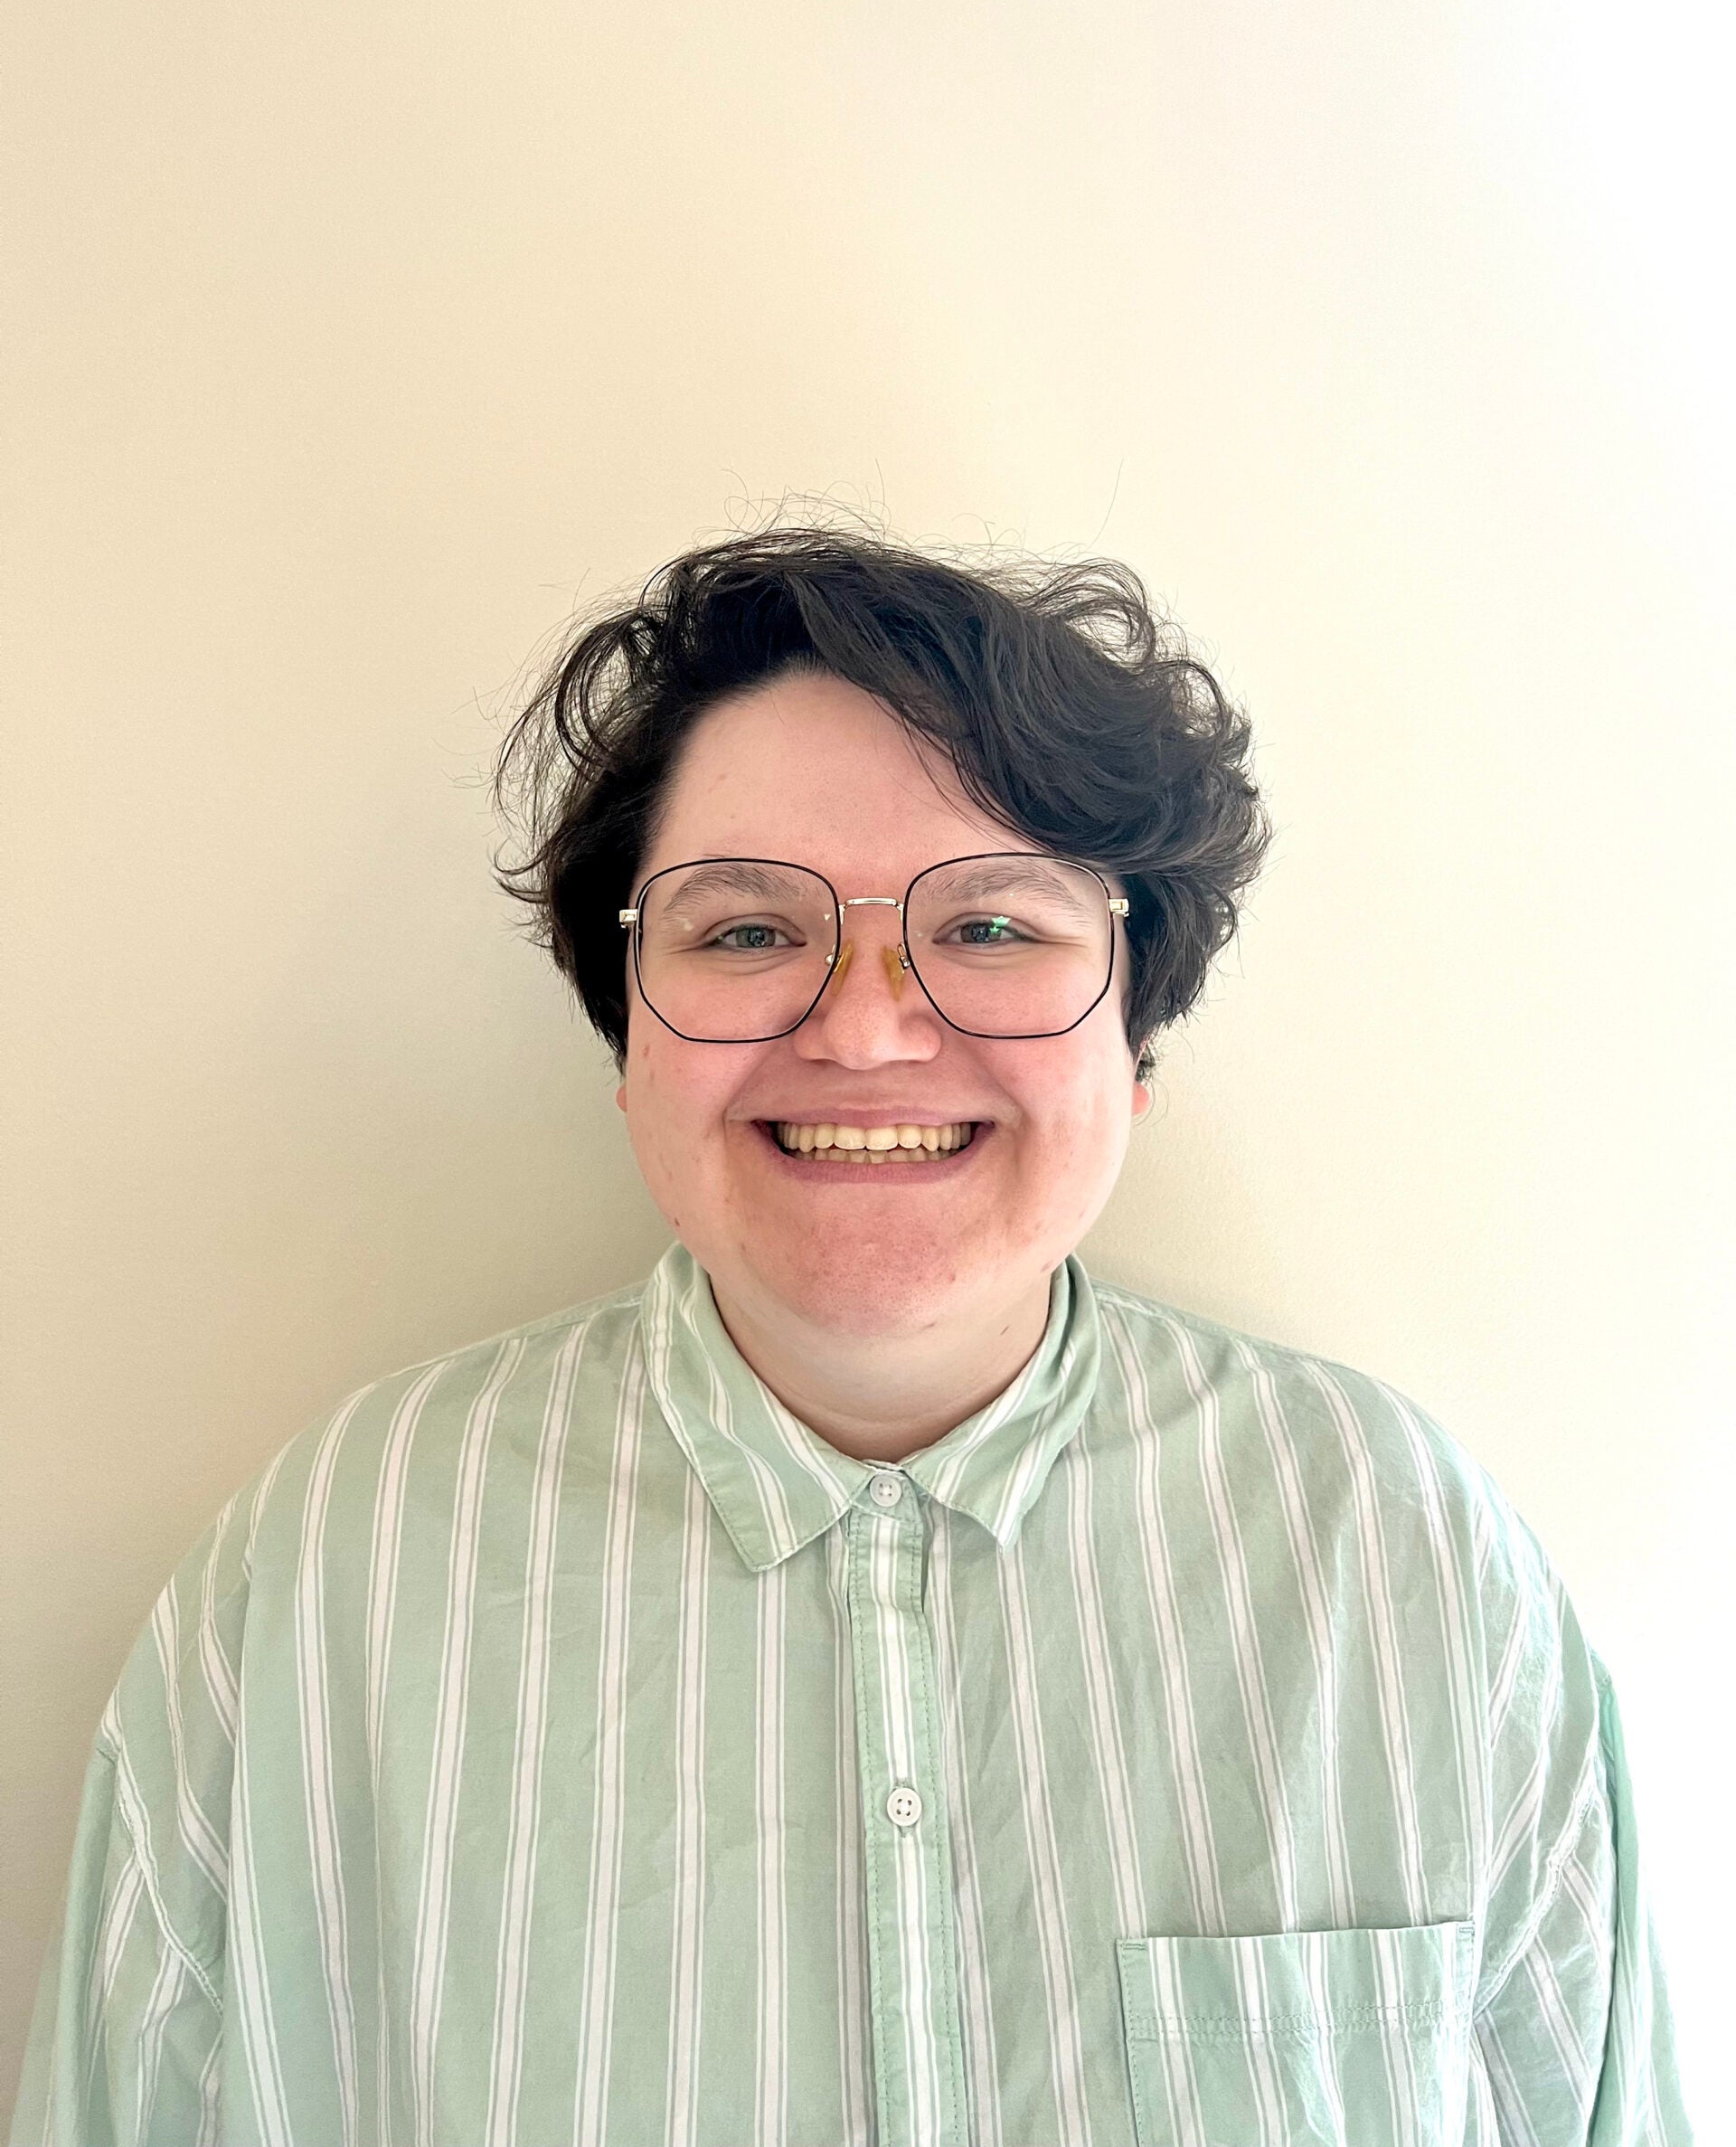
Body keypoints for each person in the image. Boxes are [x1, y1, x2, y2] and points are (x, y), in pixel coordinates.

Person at [11, 526, 1693, 2146]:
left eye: (992, 927)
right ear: (627, 1049)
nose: (872, 1031)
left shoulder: (1408, 1563)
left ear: (1138, 1041)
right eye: (748, 932)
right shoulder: (326, 1584)